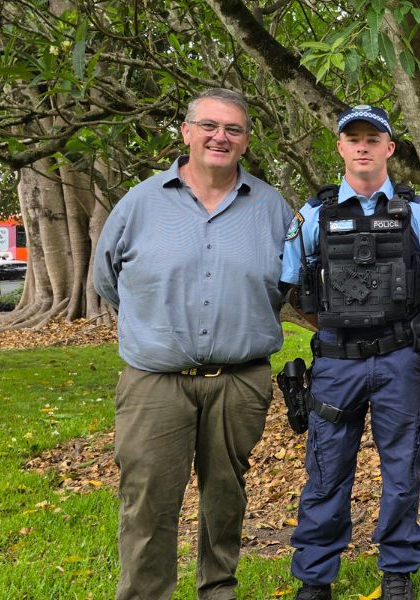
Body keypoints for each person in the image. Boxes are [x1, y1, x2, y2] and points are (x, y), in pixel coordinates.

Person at [93, 88, 294, 600]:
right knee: (148, 501)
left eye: (233, 129)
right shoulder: (139, 203)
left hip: (240, 382)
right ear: (186, 132)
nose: (219, 137)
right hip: (156, 384)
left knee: (226, 498)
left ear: (246, 142)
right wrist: (155, 326)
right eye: (209, 125)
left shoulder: (273, 208)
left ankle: (218, 590)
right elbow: (107, 280)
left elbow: (286, 287)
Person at [281, 105, 420, 600]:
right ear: (341, 147)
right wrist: (327, 326)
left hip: (400, 360)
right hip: (335, 362)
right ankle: (315, 577)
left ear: (390, 148)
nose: (364, 146)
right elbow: (289, 284)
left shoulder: (418, 214)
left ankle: (397, 573)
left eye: (374, 138)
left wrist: (415, 326)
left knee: (402, 470)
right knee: (327, 471)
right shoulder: (313, 214)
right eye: (354, 139)